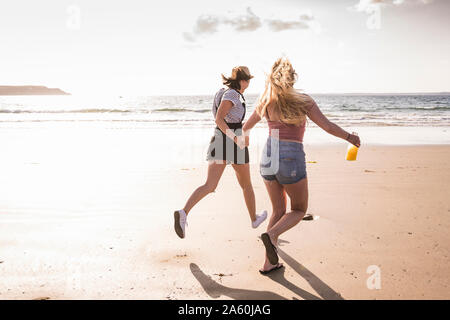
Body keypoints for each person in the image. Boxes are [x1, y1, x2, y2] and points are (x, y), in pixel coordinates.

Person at [243, 58, 361, 274]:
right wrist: (350, 137)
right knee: (298, 209)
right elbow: (327, 126)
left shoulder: (265, 101)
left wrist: (244, 140)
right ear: (293, 77)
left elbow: (245, 127)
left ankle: (269, 262)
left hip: (268, 154)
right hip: (290, 156)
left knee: (278, 209)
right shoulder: (304, 100)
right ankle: (271, 236)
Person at [173, 66, 267, 239]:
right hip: (230, 140)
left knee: (210, 185)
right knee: (246, 185)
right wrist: (237, 138)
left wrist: (242, 134)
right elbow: (220, 118)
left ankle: (184, 212)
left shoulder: (223, 91)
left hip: (219, 138)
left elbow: (222, 120)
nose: (249, 83)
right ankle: (254, 219)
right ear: (242, 80)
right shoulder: (232, 94)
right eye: (248, 79)